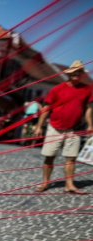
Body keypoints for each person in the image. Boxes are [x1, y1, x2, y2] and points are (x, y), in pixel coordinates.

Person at [33, 60, 93, 194]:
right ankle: (45, 183)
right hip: (55, 127)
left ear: (82, 74)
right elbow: (46, 108)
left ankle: (69, 185)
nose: (77, 74)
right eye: (74, 72)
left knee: (70, 158)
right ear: (69, 74)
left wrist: (90, 125)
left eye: (79, 72)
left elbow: (88, 108)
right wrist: (38, 126)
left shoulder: (87, 89)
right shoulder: (57, 89)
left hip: (74, 129)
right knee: (49, 156)